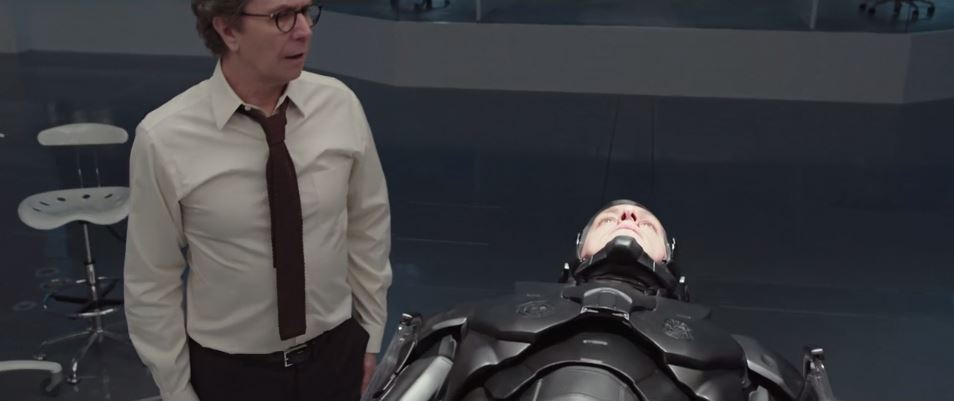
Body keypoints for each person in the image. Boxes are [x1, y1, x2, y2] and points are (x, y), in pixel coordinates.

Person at [123, 1, 392, 401]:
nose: (304, 30)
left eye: (307, 11)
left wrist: (370, 335)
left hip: (335, 358)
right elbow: (151, 281)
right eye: (282, 16)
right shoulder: (164, 138)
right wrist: (177, 391)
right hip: (232, 375)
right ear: (228, 30)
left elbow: (368, 225)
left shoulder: (340, 105)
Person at [359, 200, 837, 401]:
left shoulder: (743, 362)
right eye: (609, 218)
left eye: (645, 221)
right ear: (577, 251)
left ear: (672, 260)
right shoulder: (468, 324)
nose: (628, 217)